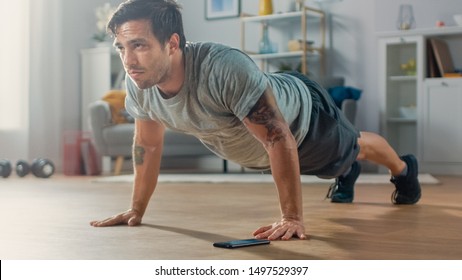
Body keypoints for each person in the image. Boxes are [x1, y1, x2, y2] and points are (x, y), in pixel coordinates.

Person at [90, 0, 421, 241]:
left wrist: (291, 217)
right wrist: (137, 209)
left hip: (304, 120)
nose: (128, 60)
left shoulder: (223, 68)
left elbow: (278, 138)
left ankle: (404, 170)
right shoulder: (139, 84)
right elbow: (147, 144)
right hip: (267, 148)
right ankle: (346, 171)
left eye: (139, 46)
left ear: (173, 43)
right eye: (121, 47)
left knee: (353, 148)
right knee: (340, 164)